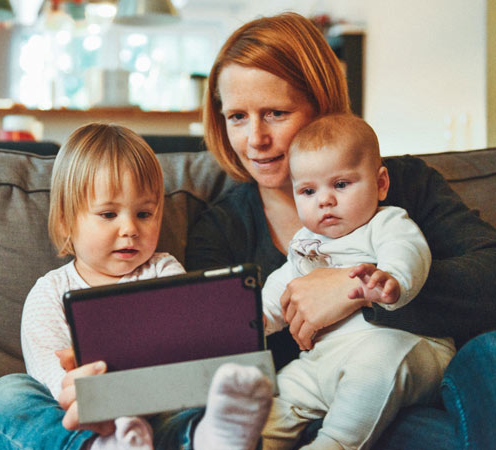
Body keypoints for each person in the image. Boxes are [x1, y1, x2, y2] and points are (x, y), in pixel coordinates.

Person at [185, 11, 496, 449]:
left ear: (320, 105)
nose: (256, 139)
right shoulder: (220, 230)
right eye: (237, 117)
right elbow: (219, 353)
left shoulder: (403, 185)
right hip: (307, 406)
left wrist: (354, 289)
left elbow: (490, 278)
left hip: (421, 389)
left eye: (275, 113)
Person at [0, 122, 272, 450]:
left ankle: (208, 439)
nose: (130, 228)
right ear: (65, 221)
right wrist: (83, 390)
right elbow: (52, 379)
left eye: (144, 213)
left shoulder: (164, 270)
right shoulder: (48, 292)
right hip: (86, 420)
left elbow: (186, 349)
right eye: (108, 215)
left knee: (203, 400)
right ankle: (100, 447)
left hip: (159, 412)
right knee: (5, 395)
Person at [259, 113, 455, 449]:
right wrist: (257, 318)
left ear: (380, 184)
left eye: (340, 184)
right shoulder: (305, 243)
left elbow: (407, 250)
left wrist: (393, 279)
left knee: (374, 363)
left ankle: (335, 443)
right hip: (325, 361)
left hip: (404, 349)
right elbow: (285, 285)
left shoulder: (386, 223)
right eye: (308, 190)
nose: (325, 200)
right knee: (276, 396)